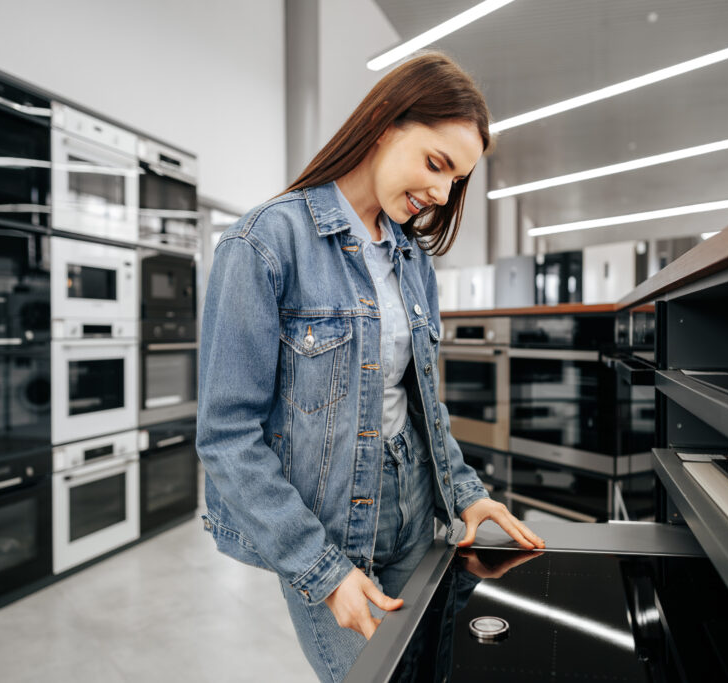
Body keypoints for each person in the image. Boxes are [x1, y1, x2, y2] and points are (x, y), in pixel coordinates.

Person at [196, 52, 545, 683]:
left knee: (427, 672)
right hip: (326, 525)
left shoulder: (411, 260)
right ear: (384, 124)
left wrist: (467, 494)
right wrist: (321, 570)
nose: (441, 193)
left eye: (456, 179)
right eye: (436, 164)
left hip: (416, 505)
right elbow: (226, 438)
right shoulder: (264, 243)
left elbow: (420, 403)